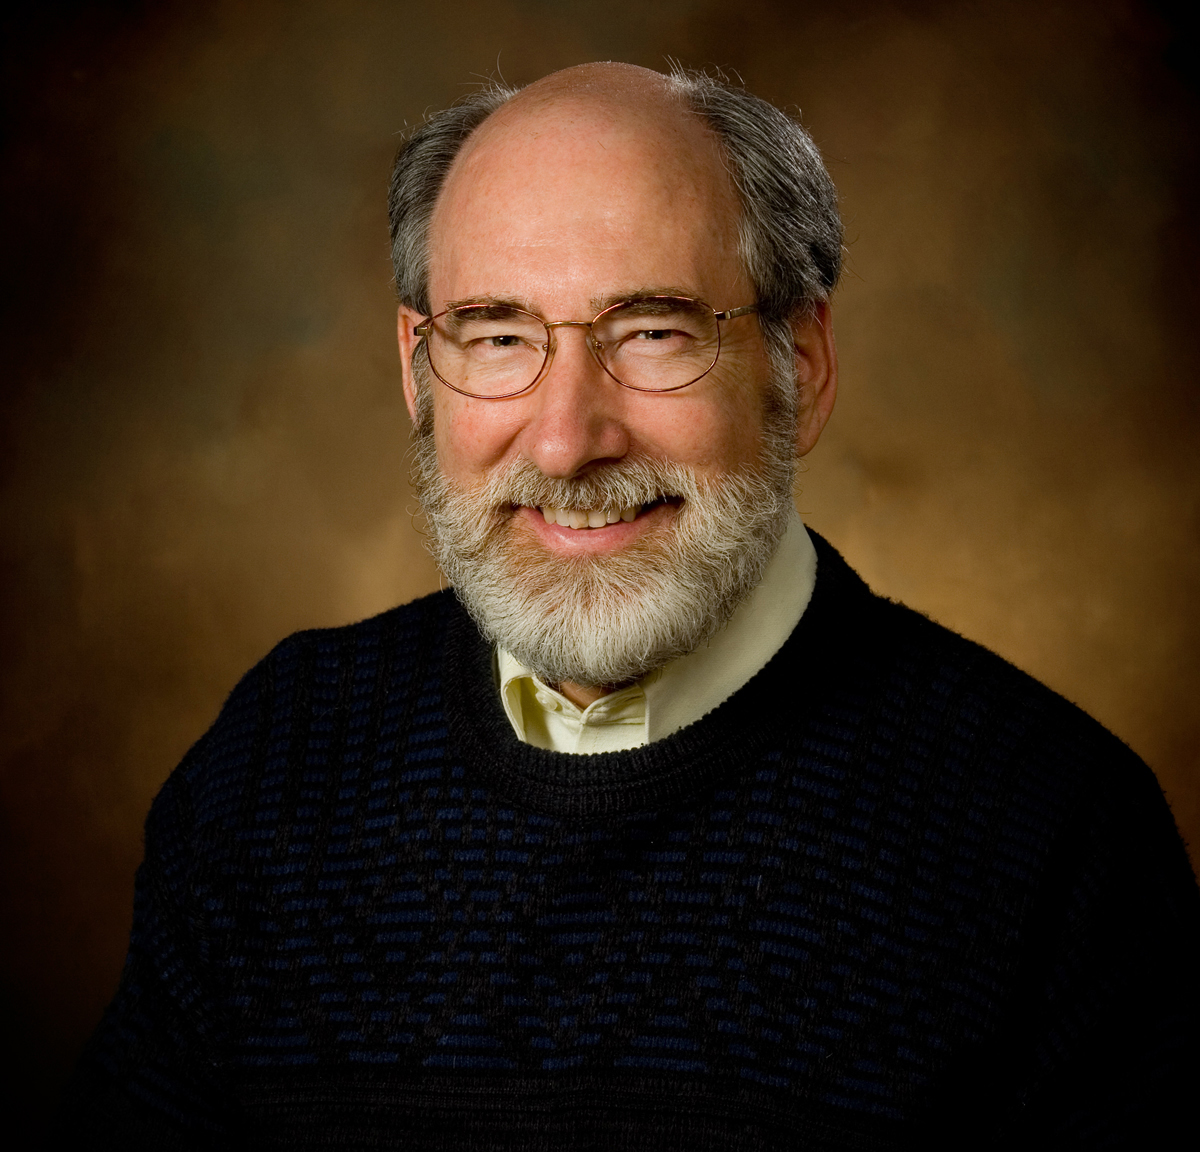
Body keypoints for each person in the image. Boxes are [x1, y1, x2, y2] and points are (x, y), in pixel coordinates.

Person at [63, 63, 1199, 1150]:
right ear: (419, 370)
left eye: (652, 332)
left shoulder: (1050, 833)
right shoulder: (275, 763)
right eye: (499, 335)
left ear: (797, 362)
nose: (566, 438)